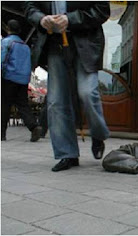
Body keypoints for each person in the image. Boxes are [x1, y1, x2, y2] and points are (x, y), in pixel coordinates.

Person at [24, 2, 111, 172]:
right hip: (53, 44)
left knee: (87, 92)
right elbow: (29, 7)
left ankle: (98, 134)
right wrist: (41, 19)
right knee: (56, 102)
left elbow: (102, 10)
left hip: (85, 43)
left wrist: (70, 19)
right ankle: (67, 153)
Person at [1, 19, 42, 142]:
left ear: (8, 29)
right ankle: (33, 127)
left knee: (4, 105)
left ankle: (1, 133)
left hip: (9, 78)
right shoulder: (25, 46)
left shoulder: (6, 42)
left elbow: (1, 59)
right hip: (23, 80)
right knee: (23, 105)